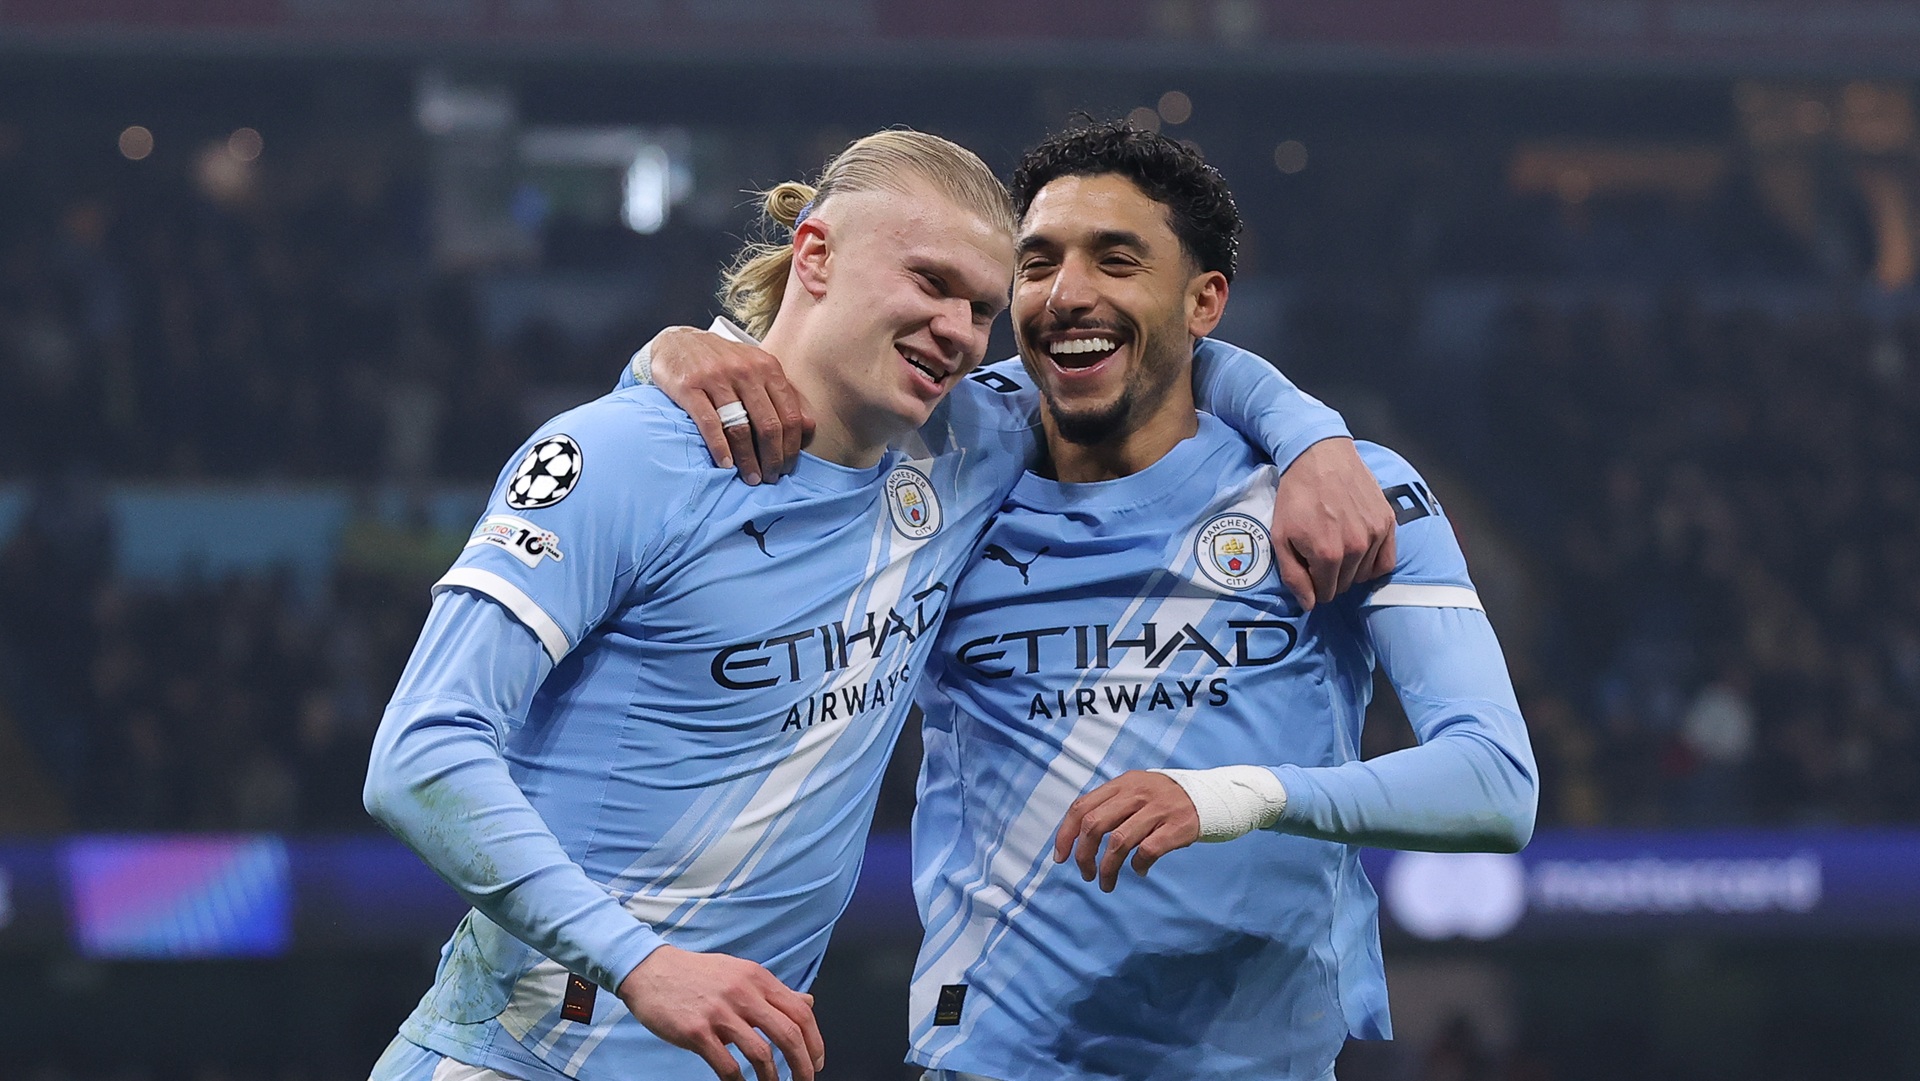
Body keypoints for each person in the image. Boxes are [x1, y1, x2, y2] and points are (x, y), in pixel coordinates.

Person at [363, 129, 1391, 1081]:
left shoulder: (968, 445)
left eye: (983, 308)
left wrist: (1311, 435)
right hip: (518, 1054)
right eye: (930, 283)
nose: (958, 330)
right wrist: (644, 965)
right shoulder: (620, 455)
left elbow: (1167, 353)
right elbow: (420, 754)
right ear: (813, 255)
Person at [645, 122, 1536, 1081]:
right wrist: (666, 357)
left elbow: (1492, 785)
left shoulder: (1338, 495)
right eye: (1038, 264)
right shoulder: (945, 471)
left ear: (1205, 301)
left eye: (1117, 260)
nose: (1068, 294)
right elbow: (748, 404)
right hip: (994, 1058)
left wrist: (1227, 797)